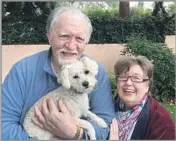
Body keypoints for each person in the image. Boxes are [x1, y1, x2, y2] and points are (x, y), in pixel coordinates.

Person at [2, 6, 115, 140]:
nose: (71, 46)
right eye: (64, 36)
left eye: (79, 39)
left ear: (86, 42)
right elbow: (3, 125)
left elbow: (107, 126)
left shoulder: (95, 73)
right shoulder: (22, 71)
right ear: (49, 36)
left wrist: (76, 133)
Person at [108, 55, 175, 140]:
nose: (128, 83)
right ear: (117, 82)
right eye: (123, 77)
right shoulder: (107, 108)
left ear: (147, 85)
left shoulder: (162, 123)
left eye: (136, 78)